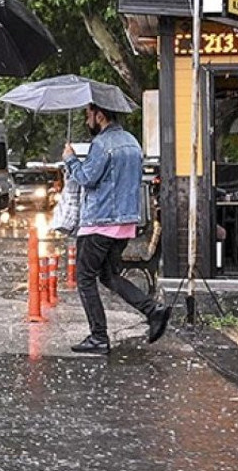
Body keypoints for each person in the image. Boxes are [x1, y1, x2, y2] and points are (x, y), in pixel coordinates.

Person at [62, 104, 171, 354]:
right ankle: (152, 310)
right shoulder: (132, 142)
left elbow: (86, 178)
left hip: (99, 224)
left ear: (100, 115)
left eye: (88, 115)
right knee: (108, 276)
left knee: (85, 278)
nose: (87, 120)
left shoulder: (102, 144)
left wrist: (70, 159)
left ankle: (98, 337)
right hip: (124, 225)